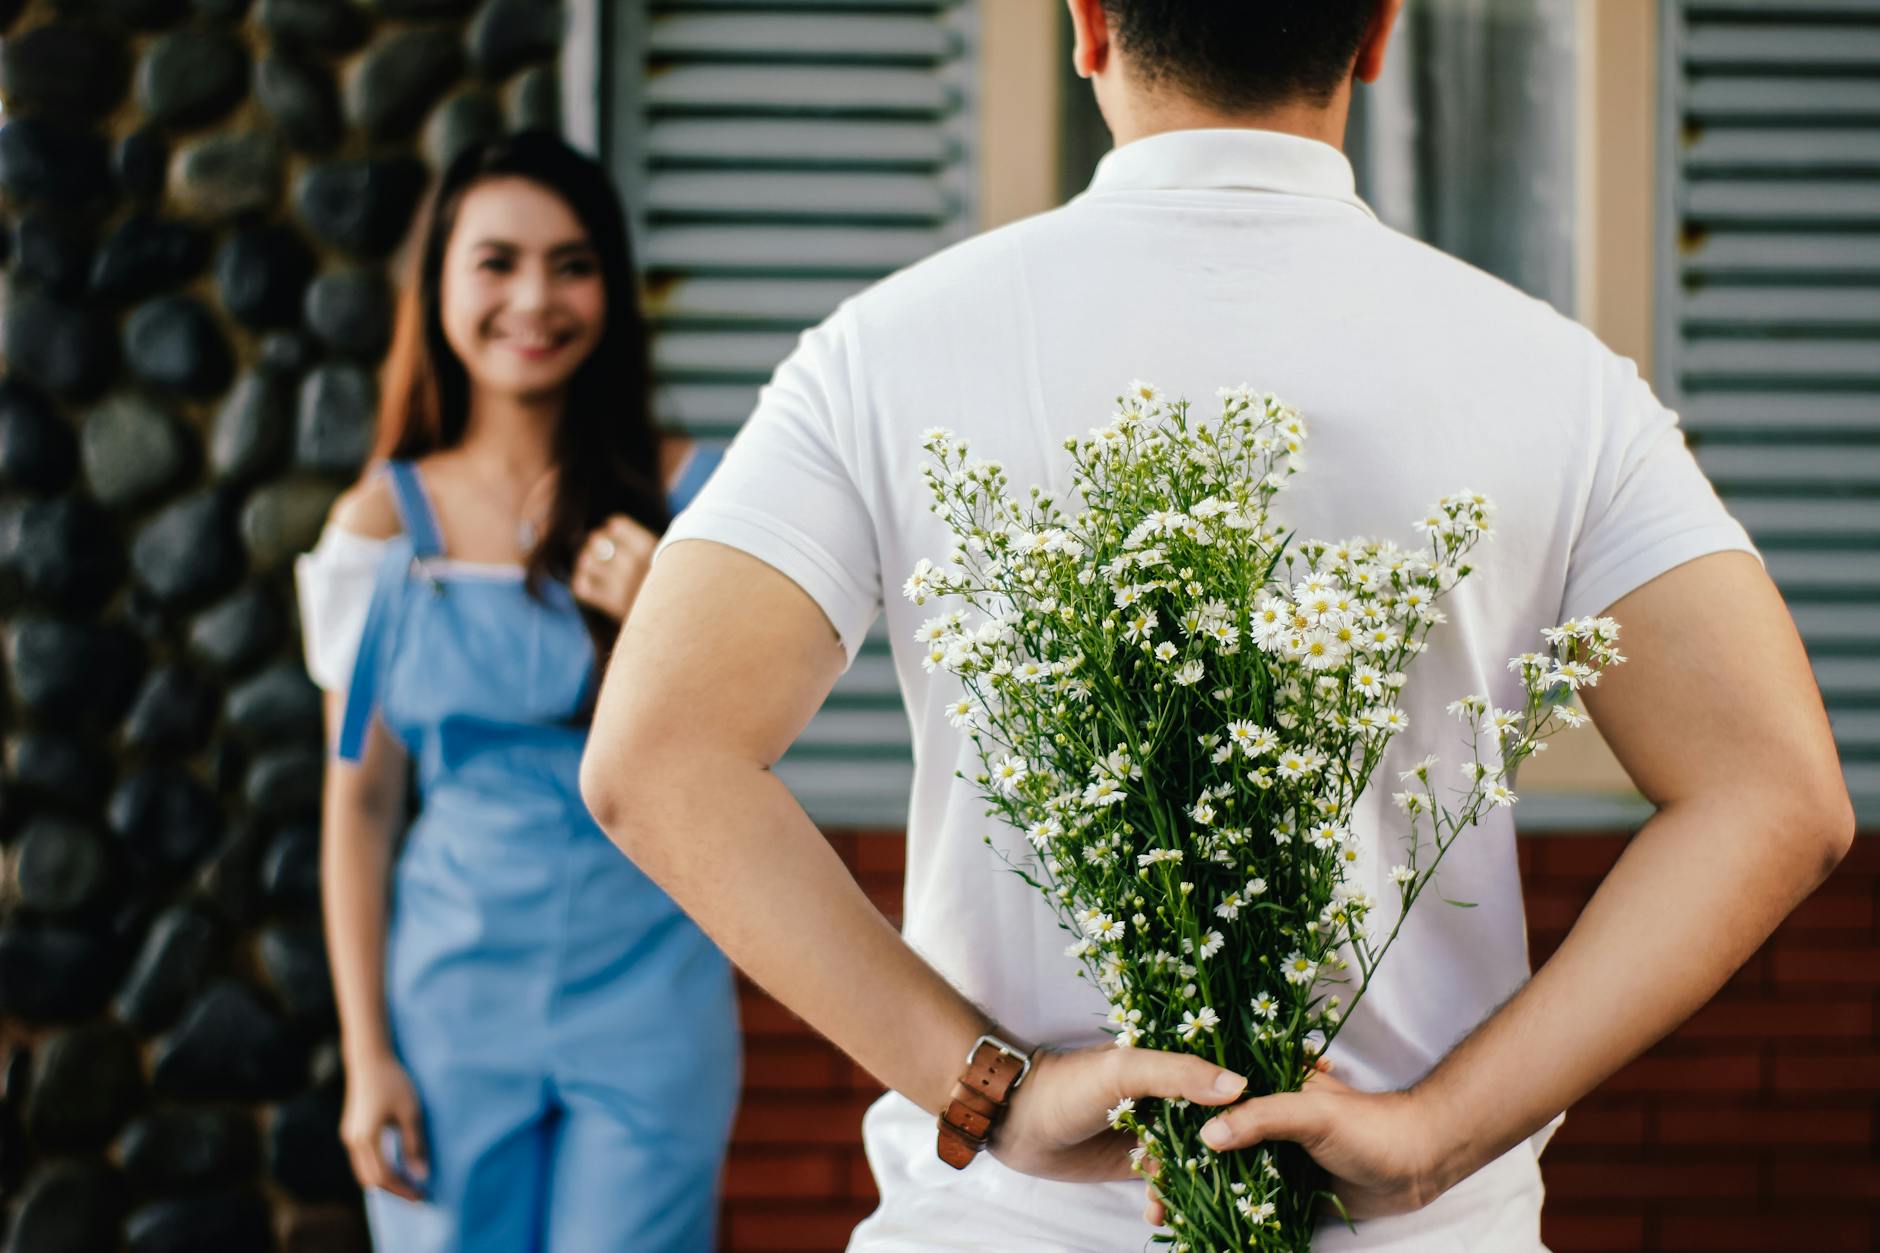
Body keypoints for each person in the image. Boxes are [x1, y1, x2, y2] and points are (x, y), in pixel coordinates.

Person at [579, 2, 1855, 1250]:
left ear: (1086, 26)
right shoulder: (1560, 379)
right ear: (1375, 33)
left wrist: (992, 1091)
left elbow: (656, 756)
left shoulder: (885, 351)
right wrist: (1437, 1130)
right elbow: (1778, 795)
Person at [296, 132, 738, 1253]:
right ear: (438, 281)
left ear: (612, 287)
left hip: (654, 994)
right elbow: (358, 804)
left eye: (572, 262)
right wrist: (367, 1055)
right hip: (447, 1004)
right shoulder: (382, 524)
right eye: (496, 261)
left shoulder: (697, 498)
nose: (533, 297)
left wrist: (661, 628)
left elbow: (750, 760)